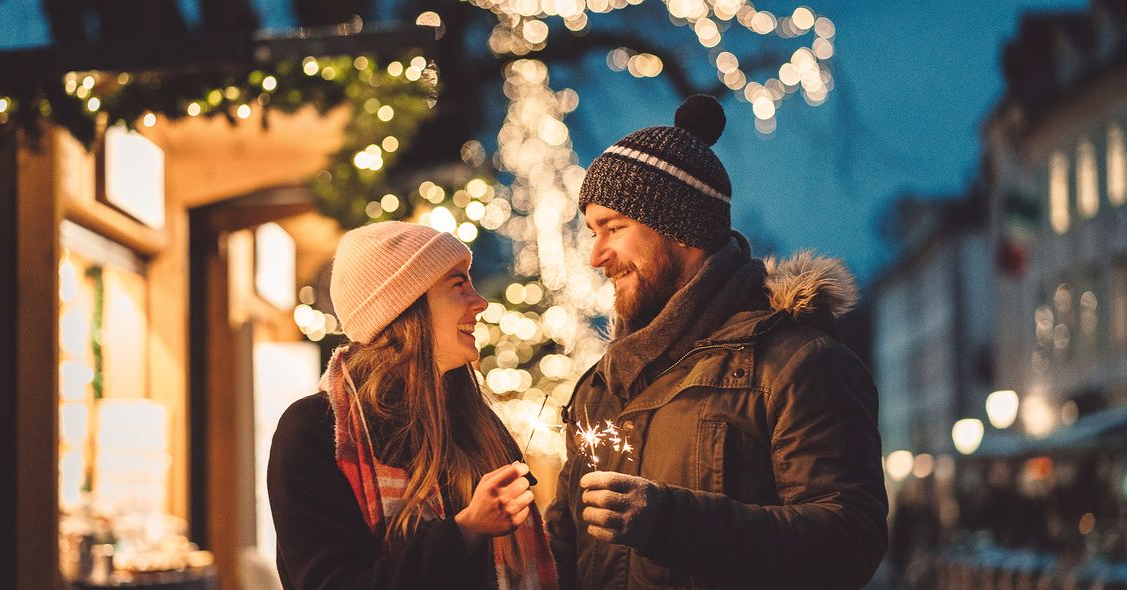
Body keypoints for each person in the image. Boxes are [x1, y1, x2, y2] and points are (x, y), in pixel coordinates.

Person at [543, 95, 888, 589]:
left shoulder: (797, 364)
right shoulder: (602, 386)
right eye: (592, 231)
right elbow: (563, 551)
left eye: (614, 228)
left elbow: (848, 543)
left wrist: (674, 522)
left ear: (680, 229)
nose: (596, 256)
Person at [268, 221, 558, 590]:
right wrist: (467, 530)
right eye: (458, 285)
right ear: (406, 307)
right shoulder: (315, 429)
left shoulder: (476, 423)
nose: (480, 302)